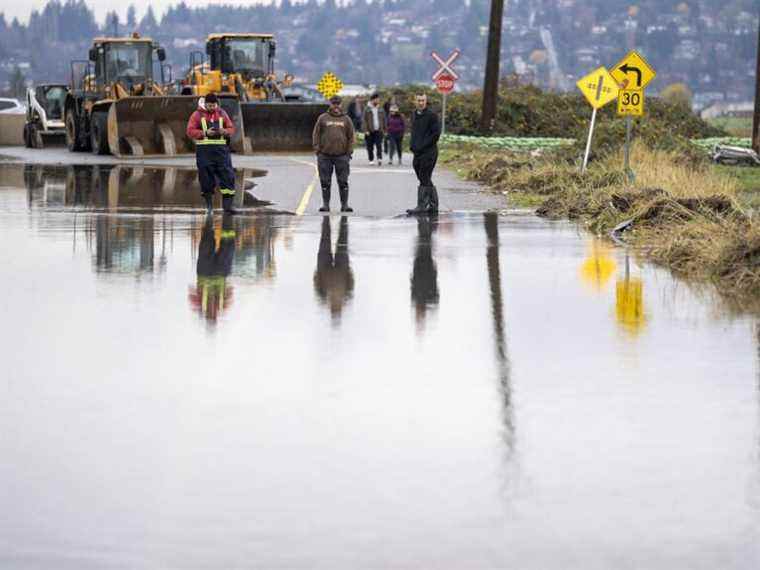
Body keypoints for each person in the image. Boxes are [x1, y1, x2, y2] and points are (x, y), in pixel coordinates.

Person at [186, 92, 238, 214]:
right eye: (209, 106)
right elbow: (190, 131)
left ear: (216, 104)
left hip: (221, 152)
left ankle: (227, 207)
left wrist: (224, 131)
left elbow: (231, 128)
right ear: (205, 104)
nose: (212, 108)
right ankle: (209, 207)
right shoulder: (197, 115)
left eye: (214, 105)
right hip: (205, 153)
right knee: (206, 179)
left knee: (227, 177)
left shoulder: (222, 113)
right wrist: (204, 133)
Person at [312, 94, 355, 212]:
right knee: (325, 181)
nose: (336, 106)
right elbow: (316, 134)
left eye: (338, 104)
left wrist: (349, 152)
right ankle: (326, 205)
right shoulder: (323, 118)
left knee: (343, 181)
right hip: (325, 156)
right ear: (330, 104)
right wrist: (317, 149)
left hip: (342, 156)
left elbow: (351, 136)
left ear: (341, 105)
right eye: (333, 103)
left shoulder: (346, 119)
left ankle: (344, 205)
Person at [313, 216, 354, 326]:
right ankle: (339, 221)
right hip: (340, 268)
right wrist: (348, 271)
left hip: (326, 268)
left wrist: (318, 272)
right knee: (340, 240)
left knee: (327, 239)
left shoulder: (324, 299)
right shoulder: (345, 297)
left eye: (334, 310)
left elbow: (317, 284)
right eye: (337, 310)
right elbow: (351, 283)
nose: (335, 307)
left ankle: (329, 221)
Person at [407, 93, 441, 215]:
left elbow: (436, 134)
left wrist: (422, 145)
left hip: (429, 152)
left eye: (423, 100)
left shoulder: (432, 116)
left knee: (424, 176)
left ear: (426, 101)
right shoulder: (414, 115)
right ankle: (433, 204)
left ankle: (422, 205)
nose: (421, 103)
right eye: (419, 100)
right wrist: (412, 145)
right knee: (423, 177)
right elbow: (414, 132)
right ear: (415, 101)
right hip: (417, 152)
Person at [362, 92, 386, 165]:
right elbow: (364, 120)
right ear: (372, 100)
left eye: (378, 99)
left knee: (379, 145)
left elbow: (384, 119)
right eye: (377, 99)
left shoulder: (381, 109)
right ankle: (371, 159)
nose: (378, 100)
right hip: (370, 131)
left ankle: (379, 158)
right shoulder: (367, 109)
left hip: (379, 130)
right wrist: (366, 130)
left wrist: (384, 129)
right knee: (370, 146)